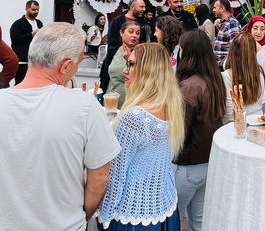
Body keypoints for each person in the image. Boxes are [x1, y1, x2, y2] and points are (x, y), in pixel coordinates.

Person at [0, 23, 120, 230]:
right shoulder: (85, 107)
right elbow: (99, 179)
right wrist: (81, 217)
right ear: (65, 66)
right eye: (78, 63)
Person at [97, 43, 184, 231]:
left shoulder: (135, 117)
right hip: (165, 207)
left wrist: (102, 216)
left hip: (132, 215)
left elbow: (115, 177)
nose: (124, 70)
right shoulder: (171, 107)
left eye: (131, 64)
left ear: (148, 71)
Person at [174, 30, 227, 231]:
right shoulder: (215, 80)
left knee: (173, 219)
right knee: (199, 221)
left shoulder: (189, 87)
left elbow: (179, 131)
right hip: (207, 161)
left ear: (187, 53)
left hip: (187, 164)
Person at [222, 32, 265, 122]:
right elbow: (261, 99)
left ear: (232, 52)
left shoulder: (226, 76)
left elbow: (229, 112)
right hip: (257, 121)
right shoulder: (261, 72)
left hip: (235, 125)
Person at [101, 21, 141, 103]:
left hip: (129, 101)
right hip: (110, 99)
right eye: (131, 32)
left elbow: (143, 77)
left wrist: (129, 61)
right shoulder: (113, 51)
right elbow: (104, 77)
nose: (134, 35)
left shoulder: (141, 53)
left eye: (137, 33)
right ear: (121, 33)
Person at [107, 0, 149, 68]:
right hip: (119, 60)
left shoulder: (143, 23)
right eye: (141, 7)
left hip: (139, 60)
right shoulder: (116, 22)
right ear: (132, 7)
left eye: (144, 7)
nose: (144, 9)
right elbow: (112, 44)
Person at [9, 0, 43, 83]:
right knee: (21, 82)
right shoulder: (18, 24)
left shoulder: (39, 23)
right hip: (22, 60)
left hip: (35, 60)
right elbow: (15, 39)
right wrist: (31, 34)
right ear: (26, 9)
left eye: (37, 9)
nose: (36, 12)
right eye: (33, 9)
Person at [247, 16, 265, 110]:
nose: (258, 32)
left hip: (262, 96)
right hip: (244, 94)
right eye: (255, 28)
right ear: (250, 28)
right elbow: (228, 64)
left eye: (262, 29)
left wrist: (259, 50)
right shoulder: (242, 44)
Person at [212, 0, 240, 68]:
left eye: (215, 8)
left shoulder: (231, 23)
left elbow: (235, 48)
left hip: (225, 67)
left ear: (222, 9)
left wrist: (223, 63)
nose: (213, 10)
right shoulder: (225, 23)